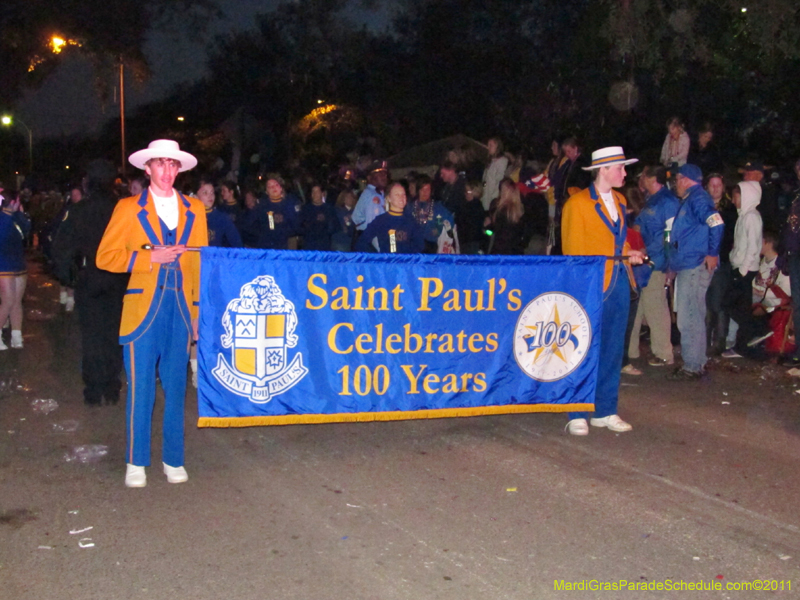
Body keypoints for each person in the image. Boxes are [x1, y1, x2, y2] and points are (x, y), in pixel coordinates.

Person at [96, 139, 208, 488]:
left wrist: (197, 312)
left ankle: (173, 458)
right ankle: (136, 461)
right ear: (147, 169)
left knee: (176, 388)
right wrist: (148, 258)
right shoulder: (128, 208)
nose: (168, 172)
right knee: (140, 387)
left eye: (173, 165)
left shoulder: (195, 209)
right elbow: (105, 257)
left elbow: (199, 262)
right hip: (142, 307)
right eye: (161, 164)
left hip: (179, 307)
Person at [562, 146, 644, 435]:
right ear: (604, 170)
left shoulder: (620, 200)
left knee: (612, 350)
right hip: (591, 285)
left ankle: (605, 409)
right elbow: (572, 254)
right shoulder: (577, 204)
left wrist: (629, 253)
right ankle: (576, 412)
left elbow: (617, 241)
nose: (624, 172)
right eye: (620, 167)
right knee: (582, 349)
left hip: (619, 280)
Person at [52, 160, 129, 404]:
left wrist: (69, 277)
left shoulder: (79, 210)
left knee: (92, 336)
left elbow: (61, 248)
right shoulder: (122, 209)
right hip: (119, 280)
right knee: (114, 333)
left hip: (90, 279)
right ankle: (112, 386)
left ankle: (94, 390)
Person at [666, 164, 724, 380]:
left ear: (684, 179)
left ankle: (692, 365)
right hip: (690, 265)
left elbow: (716, 223)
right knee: (695, 314)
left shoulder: (697, 199)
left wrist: (713, 252)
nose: (675, 184)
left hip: (694, 266)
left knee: (688, 317)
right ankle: (696, 362)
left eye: (677, 179)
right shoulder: (693, 199)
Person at [628, 166, 679, 366]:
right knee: (637, 306)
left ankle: (664, 353)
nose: (640, 179)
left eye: (642, 175)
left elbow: (671, 235)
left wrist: (669, 263)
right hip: (641, 260)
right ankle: (630, 351)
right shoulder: (651, 199)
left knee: (655, 307)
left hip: (655, 262)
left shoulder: (668, 201)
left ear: (651, 178)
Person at [725, 230, 791, 357]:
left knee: (738, 302)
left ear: (768, 243)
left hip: (773, 300)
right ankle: (734, 340)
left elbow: (785, 291)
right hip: (759, 296)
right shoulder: (762, 262)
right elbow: (756, 282)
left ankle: (743, 339)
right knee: (733, 300)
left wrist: (762, 293)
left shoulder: (781, 264)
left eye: (759, 242)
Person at [720, 181, 762, 356]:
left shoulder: (751, 217)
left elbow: (753, 247)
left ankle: (752, 331)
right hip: (740, 267)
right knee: (739, 306)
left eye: (736, 195)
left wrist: (743, 270)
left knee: (730, 304)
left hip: (745, 269)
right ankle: (743, 344)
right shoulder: (744, 216)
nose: (734, 199)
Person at [704, 173, 738, 354]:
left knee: (718, 303)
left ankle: (719, 342)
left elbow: (728, 237)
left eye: (719, 185)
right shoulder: (702, 206)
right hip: (702, 261)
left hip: (721, 260)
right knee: (706, 303)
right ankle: (705, 342)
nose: (715, 188)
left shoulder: (729, 210)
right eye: (712, 185)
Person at [0, 188, 30, 350]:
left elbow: (26, 233)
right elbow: (2, 236)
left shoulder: (16, 217)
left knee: (17, 302)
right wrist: (7, 212)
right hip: (3, 264)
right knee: (8, 301)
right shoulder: (3, 217)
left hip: (18, 263)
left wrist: (20, 214)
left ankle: (16, 335)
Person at [356, 182, 424, 254]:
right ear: (389, 198)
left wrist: (407, 256)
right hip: (388, 263)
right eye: (397, 195)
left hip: (406, 263)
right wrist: (377, 257)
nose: (401, 197)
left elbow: (420, 245)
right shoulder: (381, 221)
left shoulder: (411, 220)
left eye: (403, 194)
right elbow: (361, 242)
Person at [406, 175, 454, 254]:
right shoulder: (410, 207)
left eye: (427, 189)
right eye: (422, 189)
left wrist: (439, 228)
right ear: (418, 190)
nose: (425, 193)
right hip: (413, 246)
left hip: (431, 246)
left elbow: (449, 221)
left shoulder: (437, 207)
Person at [254, 175, 299, 250]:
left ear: (281, 187)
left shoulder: (290, 203)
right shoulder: (262, 206)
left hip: (285, 246)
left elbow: (296, 226)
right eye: (270, 186)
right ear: (266, 191)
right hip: (267, 248)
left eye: (276, 185)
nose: (273, 188)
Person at [197, 177, 242, 248]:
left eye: (212, 192)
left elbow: (237, 244)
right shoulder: (188, 217)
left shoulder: (222, 218)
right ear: (195, 195)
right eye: (205, 193)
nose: (210, 196)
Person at [487, 178, 528, 255]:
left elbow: (500, 234)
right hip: (516, 251)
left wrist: (489, 227)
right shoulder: (519, 211)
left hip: (502, 252)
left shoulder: (502, 211)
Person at [352, 160, 388, 232]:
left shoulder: (378, 193)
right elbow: (373, 228)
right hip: (369, 239)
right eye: (380, 174)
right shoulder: (372, 196)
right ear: (369, 177)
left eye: (385, 174)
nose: (384, 177)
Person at [300, 184, 337, 251]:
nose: (314, 194)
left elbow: (333, 227)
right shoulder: (306, 209)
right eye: (313, 192)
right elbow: (301, 227)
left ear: (322, 194)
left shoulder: (329, 209)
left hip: (324, 244)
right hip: (309, 244)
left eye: (317, 192)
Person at [481, 137, 508, 211]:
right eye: (488, 145)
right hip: (485, 195)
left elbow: (499, 181)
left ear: (497, 147)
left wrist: (493, 199)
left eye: (491, 145)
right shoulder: (490, 161)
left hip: (491, 198)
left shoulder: (502, 161)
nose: (488, 147)